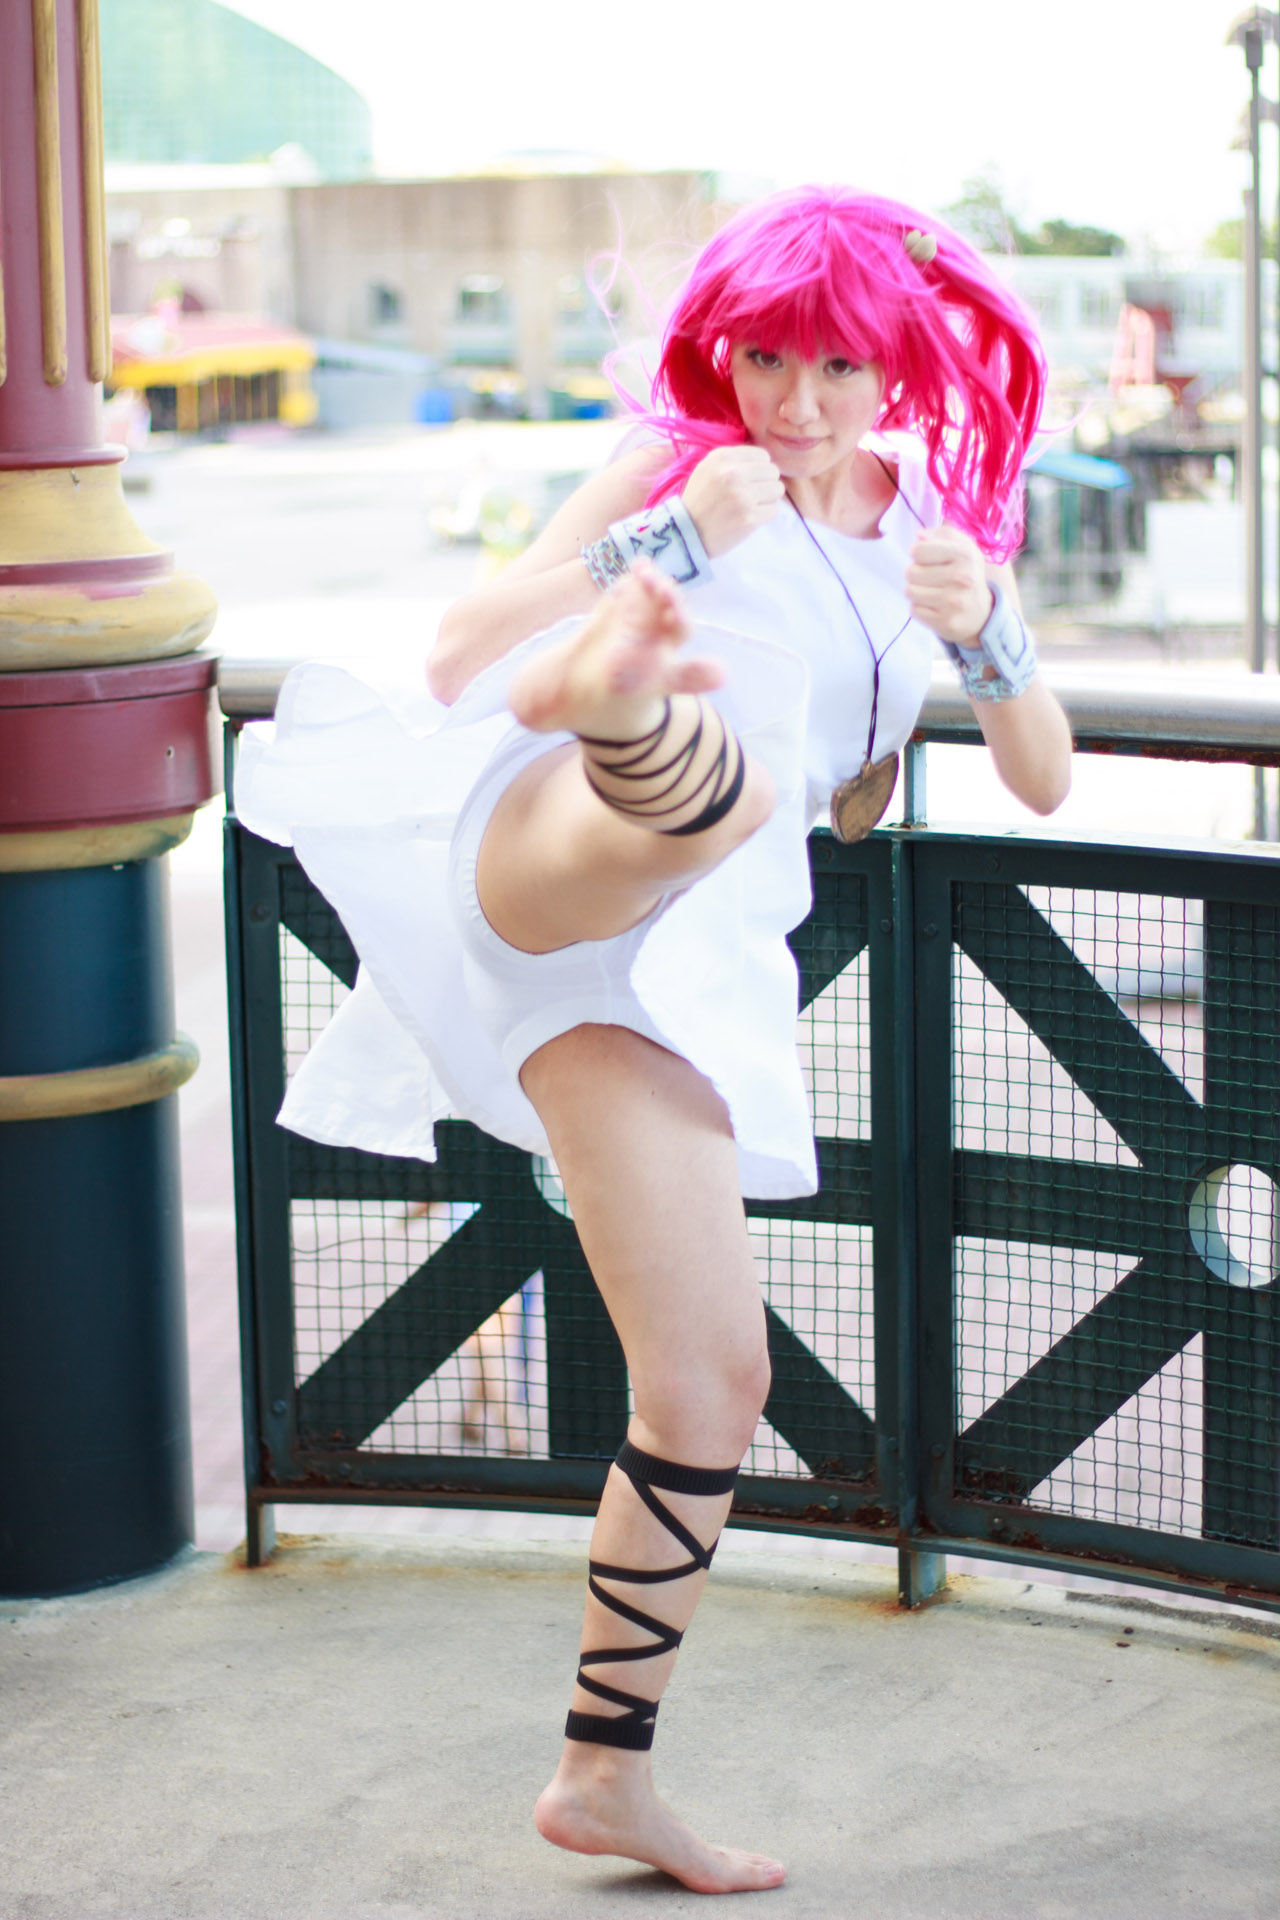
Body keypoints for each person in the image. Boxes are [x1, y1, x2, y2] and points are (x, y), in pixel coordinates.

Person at [238, 186, 1072, 1896]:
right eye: (764, 358)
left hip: (682, 975)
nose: (794, 401)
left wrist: (983, 628)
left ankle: (602, 1777)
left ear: (897, 367)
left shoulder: (928, 529)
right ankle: (617, 695)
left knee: (711, 1385)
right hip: (552, 843)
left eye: (836, 366)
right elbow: (459, 648)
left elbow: (1042, 774)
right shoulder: (671, 466)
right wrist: (672, 544)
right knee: (713, 783)